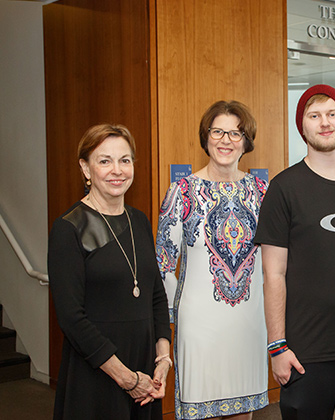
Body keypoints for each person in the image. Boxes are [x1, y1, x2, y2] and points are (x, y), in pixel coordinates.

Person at [254, 84, 335, 419]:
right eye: (314, 115)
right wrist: (277, 346)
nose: (324, 122)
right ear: (303, 126)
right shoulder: (283, 188)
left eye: (332, 114)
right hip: (306, 352)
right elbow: (273, 274)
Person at [49, 124, 171, 420]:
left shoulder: (139, 221)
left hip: (144, 367)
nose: (117, 170)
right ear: (86, 169)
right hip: (98, 370)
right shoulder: (69, 228)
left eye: (125, 160)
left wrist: (163, 358)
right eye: (105, 161)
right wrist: (127, 379)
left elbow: (155, 293)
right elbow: (71, 318)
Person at [156, 101, 268, 420]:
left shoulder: (263, 193)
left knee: (242, 412)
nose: (226, 140)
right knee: (199, 410)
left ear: (247, 141)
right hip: (199, 325)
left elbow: (274, 262)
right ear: (206, 137)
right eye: (218, 131)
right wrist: (173, 316)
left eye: (236, 133)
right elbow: (163, 263)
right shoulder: (182, 192)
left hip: (249, 324)